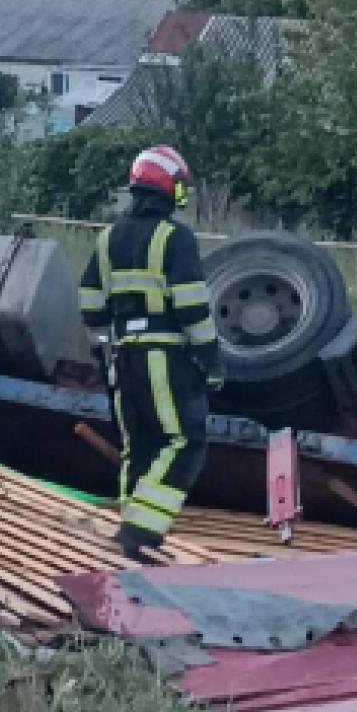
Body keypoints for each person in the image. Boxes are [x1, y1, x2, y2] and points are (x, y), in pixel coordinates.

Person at [78, 145, 224, 563]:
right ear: (166, 187)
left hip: (122, 356)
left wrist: (101, 347)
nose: (183, 194)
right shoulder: (174, 237)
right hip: (164, 355)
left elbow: (91, 303)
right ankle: (140, 532)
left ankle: (132, 536)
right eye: (180, 186)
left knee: (138, 444)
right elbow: (192, 304)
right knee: (185, 439)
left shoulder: (107, 238)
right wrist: (211, 359)